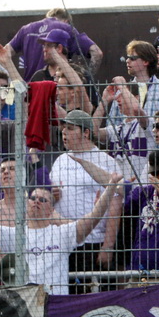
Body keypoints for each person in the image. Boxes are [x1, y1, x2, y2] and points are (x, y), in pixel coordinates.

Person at [0, 184, 122, 296]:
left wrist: (110, 187)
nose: (37, 201)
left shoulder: (62, 233)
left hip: (55, 299)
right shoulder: (13, 234)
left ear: (51, 210)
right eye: (33, 198)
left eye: (43, 200)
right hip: (26, 300)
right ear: (26, 205)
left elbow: (93, 218)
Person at [52, 110, 122, 272]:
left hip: (93, 241)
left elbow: (115, 205)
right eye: (64, 128)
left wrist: (108, 246)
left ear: (86, 133)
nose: (64, 132)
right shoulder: (60, 160)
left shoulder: (105, 161)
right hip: (64, 239)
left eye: (70, 128)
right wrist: (52, 195)